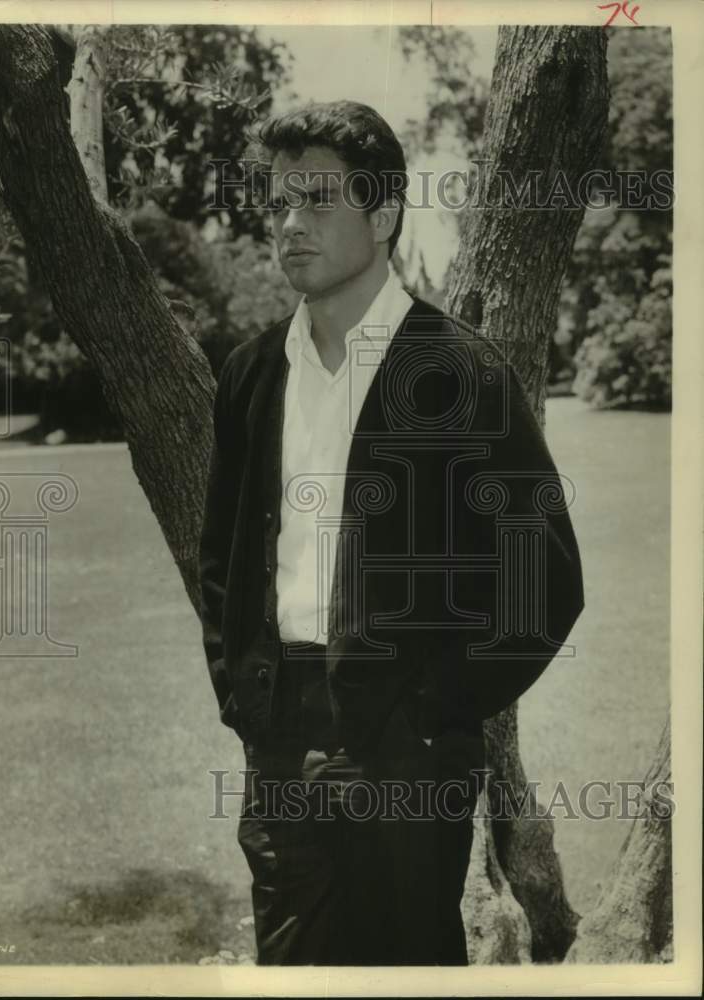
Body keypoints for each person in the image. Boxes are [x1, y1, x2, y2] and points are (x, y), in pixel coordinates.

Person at [199, 100, 584, 966]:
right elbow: (221, 562)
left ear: (382, 216)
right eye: (281, 201)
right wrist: (248, 700)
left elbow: (545, 582)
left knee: (407, 966)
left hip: (407, 751)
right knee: (291, 966)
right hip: (279, 739)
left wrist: (433, 708)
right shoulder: (252, 375)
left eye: (318, 201)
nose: (290, 224)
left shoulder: (460, 373)